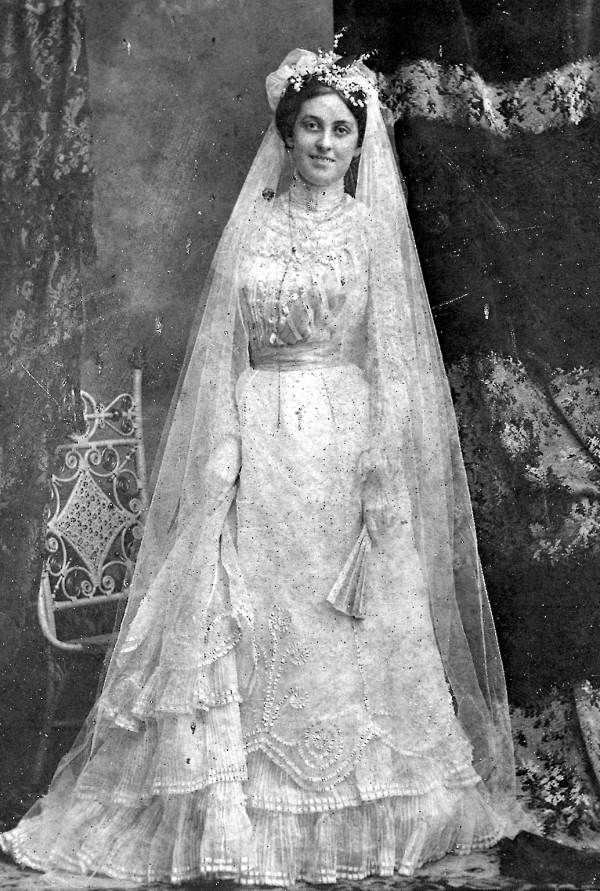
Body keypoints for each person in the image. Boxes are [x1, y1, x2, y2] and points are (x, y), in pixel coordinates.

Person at [0, 47, 523, 885]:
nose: (323, 143)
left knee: (342, 618)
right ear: (286, 135)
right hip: (259, 428)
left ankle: (367, 808)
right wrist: (223, 439)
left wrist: (383, 466)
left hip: (342, 435)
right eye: (309, 127)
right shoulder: (256, 220)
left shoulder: (369, 229)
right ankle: (233, 811)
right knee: (245, 605)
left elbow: (391, 357)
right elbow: (222, 347)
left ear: (359, 144)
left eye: (340, 130)